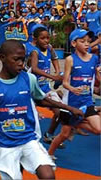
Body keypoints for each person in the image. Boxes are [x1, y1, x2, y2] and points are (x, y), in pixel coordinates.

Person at [0, 40, 84, 179]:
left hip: (29, 139)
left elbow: (42, 99)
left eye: (23, 59)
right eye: (16, 59)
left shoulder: (29, 79)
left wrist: (69, 108)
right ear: (2, 57)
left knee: (48, 175)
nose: (21, 63)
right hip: (5, 144)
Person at [48, 29, 101, 159]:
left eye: (88, 41)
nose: (87, 44)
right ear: (73, 43)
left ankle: (76, 123)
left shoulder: (94, 58)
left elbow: (96, 77)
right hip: (71, 103)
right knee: (64, 135)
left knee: (98, 129)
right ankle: (49, 154)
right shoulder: (70, 59)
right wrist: (72, 89)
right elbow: (65, 82)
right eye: (82, 41)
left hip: (87, 101)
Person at [28, 25, 67, 146]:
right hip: (31, 89)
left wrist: (58, 71)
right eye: (42, 38)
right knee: (31, 118)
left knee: (60, 111)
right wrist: (53, 77)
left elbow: (55, 58)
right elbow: (34, 69)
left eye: (47, 38)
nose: (46, 41)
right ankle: (30, 142)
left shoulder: (49, 48)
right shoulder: (34, 51)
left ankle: (49, 134)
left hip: (45, 88)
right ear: (35, 39)